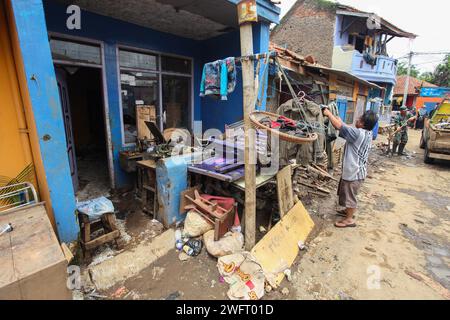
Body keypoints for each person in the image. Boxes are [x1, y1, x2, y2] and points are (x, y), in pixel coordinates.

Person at [322, 107, 379, 228]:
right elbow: (344, 126)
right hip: (356, 171)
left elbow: (339, 127)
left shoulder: (357, 134)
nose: (356, 120)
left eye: (359, 119)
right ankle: (348, 212)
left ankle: (349, 220)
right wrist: (339, 120)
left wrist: (328, 113)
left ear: (363, 123)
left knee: (350, 195)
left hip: (355, 172)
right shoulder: (366, 133)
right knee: (346, 192)